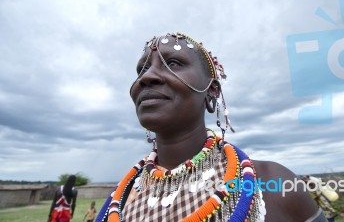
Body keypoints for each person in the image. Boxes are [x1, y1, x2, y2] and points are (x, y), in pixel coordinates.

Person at [97, 32, 326, 221]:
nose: (148, 76)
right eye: (142, 69)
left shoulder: (274, 186)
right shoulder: (119, 200)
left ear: (212, 90)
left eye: (173, 63)